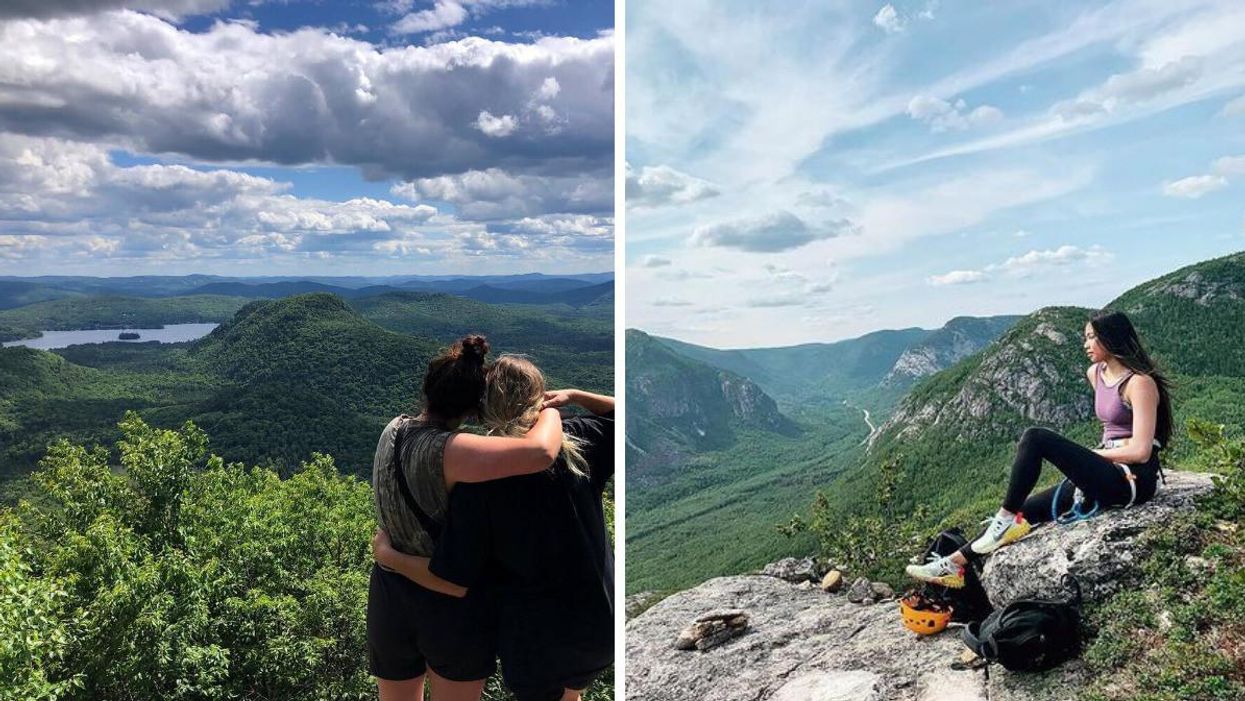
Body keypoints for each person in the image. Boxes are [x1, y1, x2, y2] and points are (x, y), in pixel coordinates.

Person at [374, 355, 615, 701]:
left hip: (536, 642)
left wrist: (387, 555)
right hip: (598, 622)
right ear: (541, 395)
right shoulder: (581, 440)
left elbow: (453, 578)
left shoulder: (480, 483)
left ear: (484, 408)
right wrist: (573, 397)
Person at [906, 310, 1172, 588]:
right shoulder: (1096, 373)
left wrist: (1086, 456)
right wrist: (1087, 460)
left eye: (1092, 337)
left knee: (1036, 438)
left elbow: (1141, 450)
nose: (1086, 344)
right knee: (1026, 510)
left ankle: (1002, 520)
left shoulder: (1140, 383)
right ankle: (953, 564)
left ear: (1111, 337)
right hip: (1107, 467)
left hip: (1132, 479)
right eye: (1086, 337)